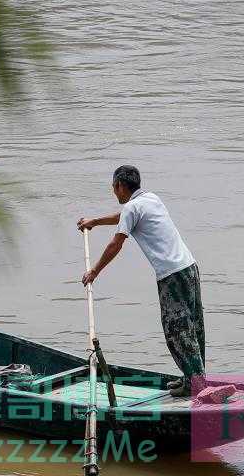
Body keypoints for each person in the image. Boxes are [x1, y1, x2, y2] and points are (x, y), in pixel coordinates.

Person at [77, 165, 205, 397]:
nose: (114, 193)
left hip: (172, 275)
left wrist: (94, 271)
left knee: (176, 330)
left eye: (114, 188)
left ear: (119, 186)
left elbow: (116, 243)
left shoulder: (132, 208)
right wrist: (94, 221)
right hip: (189, 267)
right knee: (193, 327)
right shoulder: (150, 199)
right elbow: (123, 216)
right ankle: (193, 379)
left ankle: (197, 384)